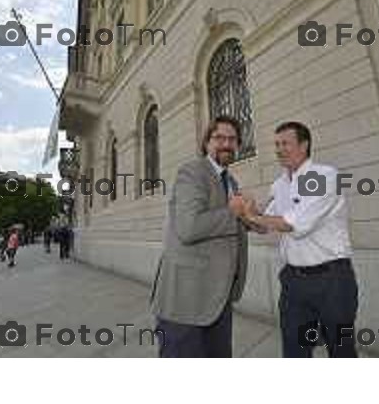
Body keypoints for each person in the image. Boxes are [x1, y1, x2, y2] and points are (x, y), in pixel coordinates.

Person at [230, 121, 359, 358]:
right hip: (294, 283)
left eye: (285, 143)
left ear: (304, 145)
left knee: (341, 351)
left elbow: (296, 224)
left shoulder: (326, 176)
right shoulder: (279, 185)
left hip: (332, 281)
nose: (279, 150)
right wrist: (245, 214)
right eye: (276, 144)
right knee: (294, 352)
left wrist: (252, 215)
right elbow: (264, 225)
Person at [148, 116, 252, 358]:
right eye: (219, 138)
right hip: (186, 301)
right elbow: (189, 227)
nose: (226, 143)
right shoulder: (193, 172)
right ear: (206, 143)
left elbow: (221, 224)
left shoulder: (231, 181)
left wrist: (249, 221)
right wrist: (232, 213)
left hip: (218, 296)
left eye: (232, 139)